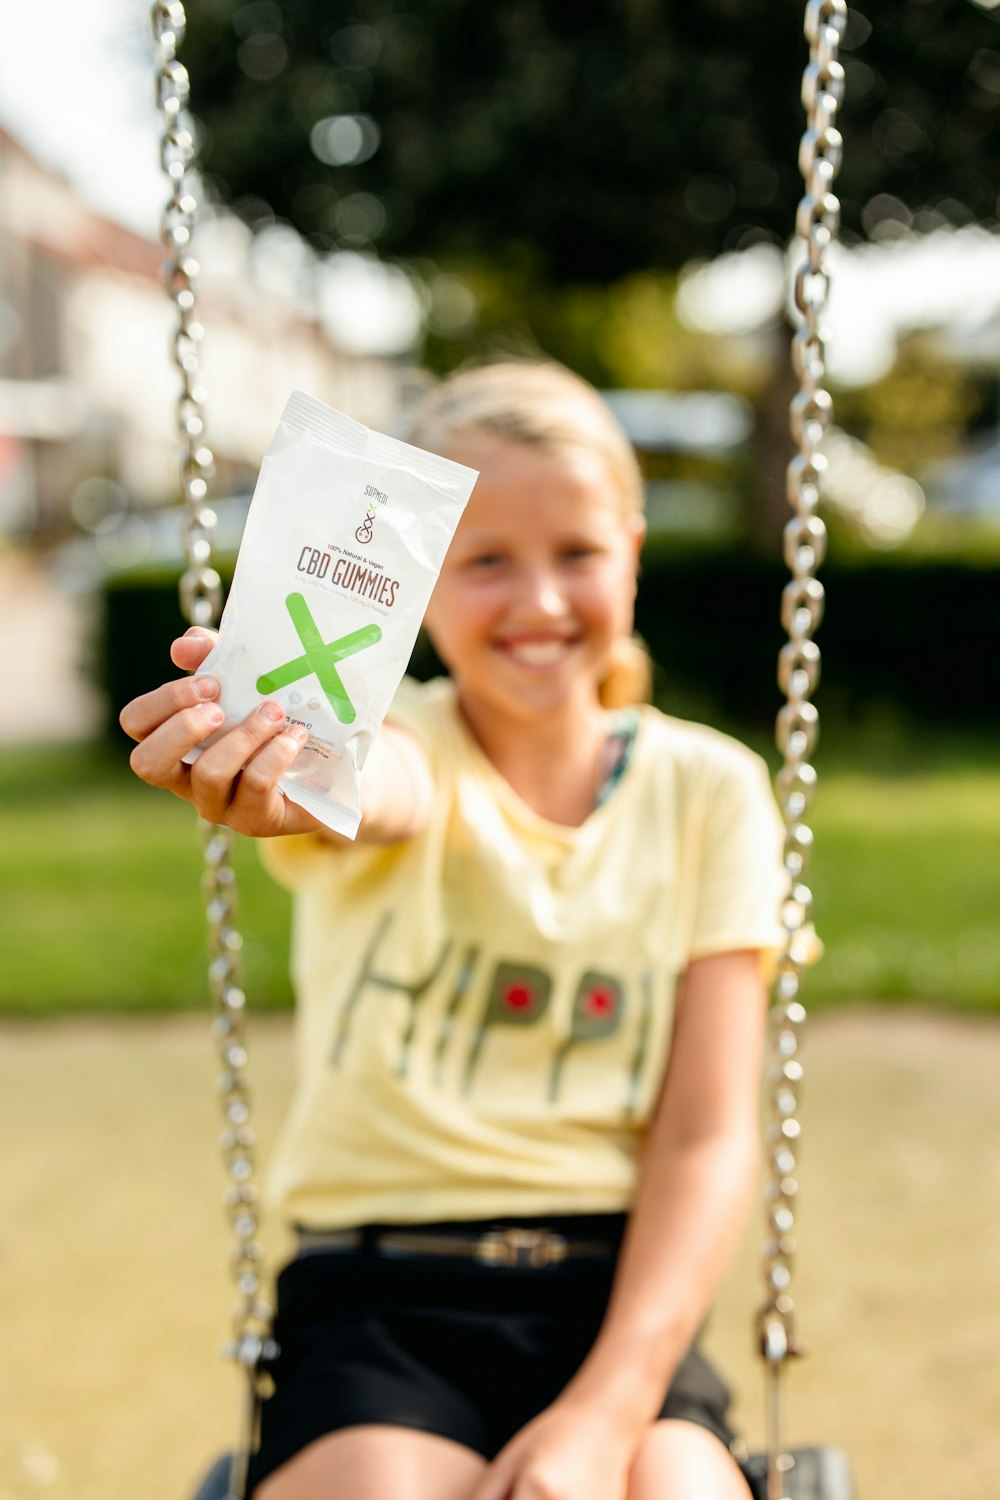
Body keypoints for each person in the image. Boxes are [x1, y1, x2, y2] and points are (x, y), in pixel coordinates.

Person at [121, 361, 787, 1500]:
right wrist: (289, 782)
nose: (536, 600)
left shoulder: (710, 793)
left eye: (575, 553)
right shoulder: (408, 748)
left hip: (616, 1306)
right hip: (381, 1302)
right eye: (485, 562)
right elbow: (378, 788)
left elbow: (704, 1138)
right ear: (423, 582)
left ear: (631, 548)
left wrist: (599, 1417)